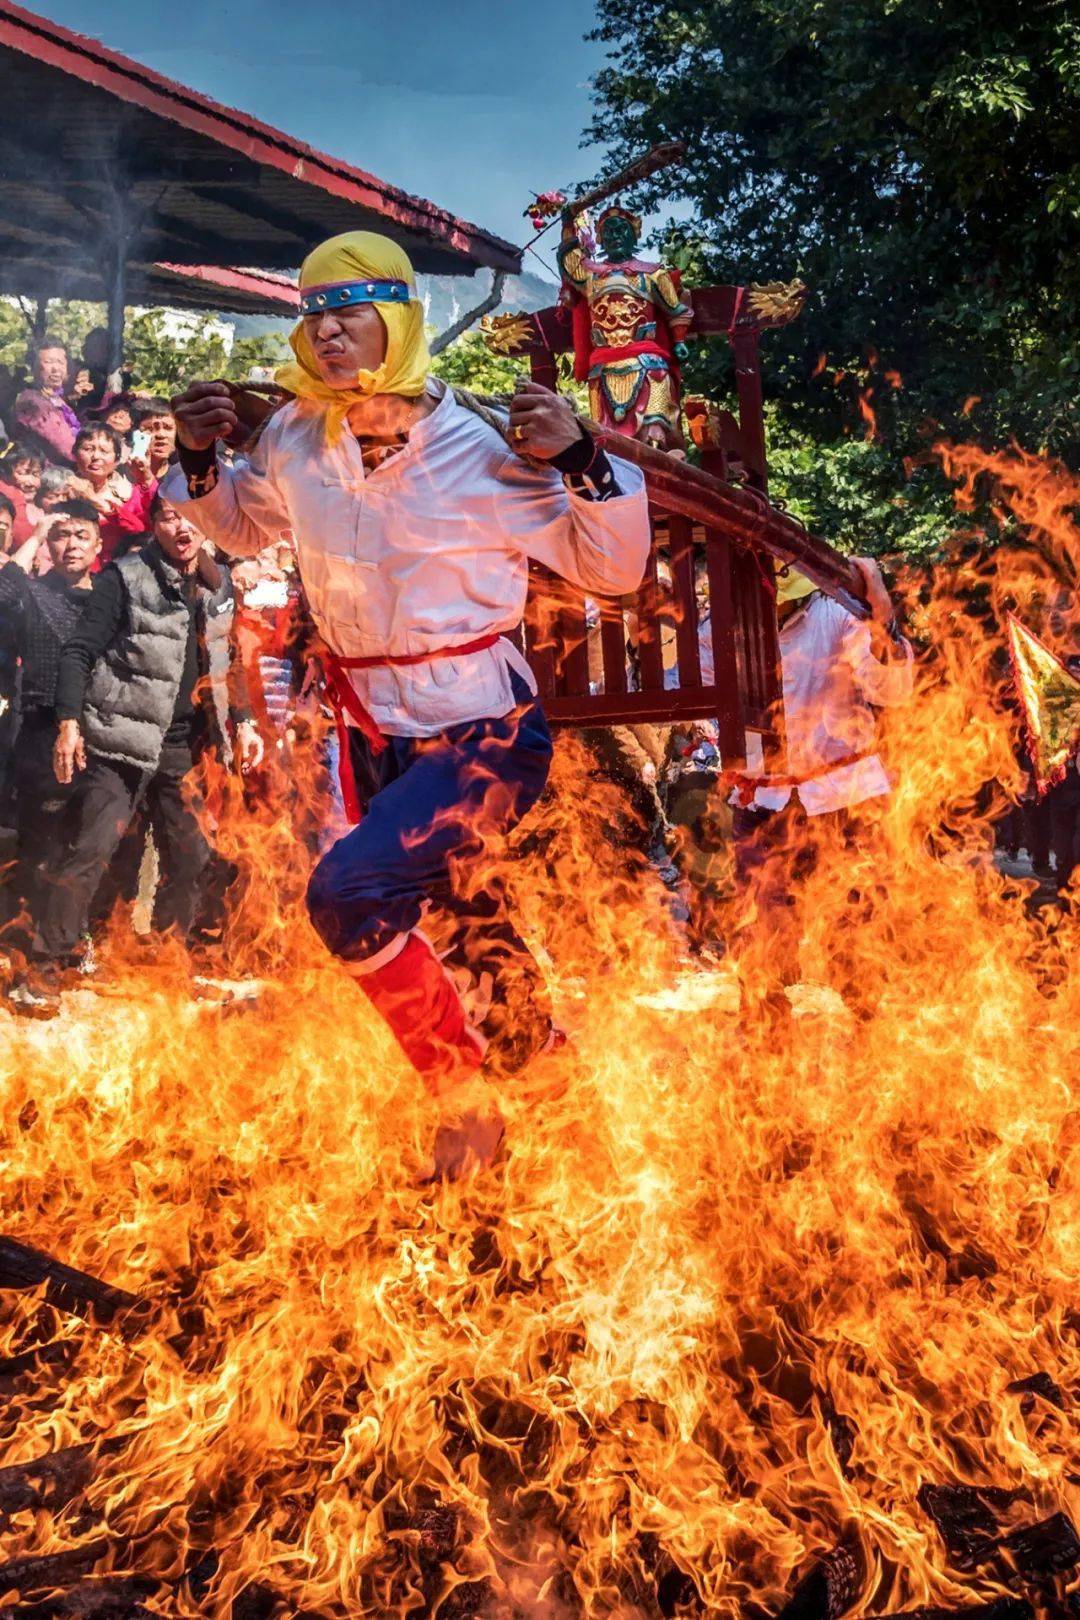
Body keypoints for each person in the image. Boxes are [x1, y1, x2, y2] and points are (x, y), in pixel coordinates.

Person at [166, 229, 650, 1172]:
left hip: (485, 727)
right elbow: (237, 526)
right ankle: (545, 1079)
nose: (329, 334)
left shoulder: (481, 450)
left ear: (396, 323)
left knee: (352, 893)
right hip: (373, 726)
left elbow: (613, 564)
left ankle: (462, 1101)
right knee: (468, 917)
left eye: (349, 314)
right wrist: (195, 457)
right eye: (314, 317)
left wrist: (586, 456)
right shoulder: (297, 441)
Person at [26, 496, 263, 999]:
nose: (181, 526)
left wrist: (242, 721)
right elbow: (80, 650)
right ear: (154, 525)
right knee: (92, 849)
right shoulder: (125, 576)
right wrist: (69, 722)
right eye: (169, 516)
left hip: (180, 744)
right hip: (118, 739)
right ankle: (46, 965)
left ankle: (166, 958)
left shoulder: (218, 584)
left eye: (190, 516)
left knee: (193, 855)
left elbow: (227, 662)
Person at [729, 558, 914, 1000]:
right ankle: (766, 1049)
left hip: (844, 802)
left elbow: (892, 689)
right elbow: (687, 673)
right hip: (765, 805)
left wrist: (882, 616)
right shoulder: (725, 626)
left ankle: (873, 1047)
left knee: (854, 936)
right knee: (762, 941)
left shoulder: (837, 616)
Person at [0, 501, 103, 976]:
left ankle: (77, 939)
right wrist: (37, 532)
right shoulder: (31, 593)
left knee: (90, 845)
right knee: (42, 846)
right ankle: (29, 951)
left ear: (99, 544)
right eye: (61, 535)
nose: (71, 545)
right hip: (41, 730)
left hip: (101, 732)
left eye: (81, 535)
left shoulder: (109, 597)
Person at [72, 424, 155, 565]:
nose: (96, 456)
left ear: (117, 460)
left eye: (104, 451)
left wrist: (100, 504)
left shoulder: (129, 493)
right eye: (87, 449)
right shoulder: (61, 490)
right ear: (75, 454)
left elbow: (142, 531)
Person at [13, 339, 81, 466]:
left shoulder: (58, 399)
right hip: (45, 474)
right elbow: (65, 446)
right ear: (34, 368)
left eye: (60, 362)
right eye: (48, 362)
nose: (56, 368)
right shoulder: (32, 401)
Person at [0, 444, 45, 546]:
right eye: (24, 473)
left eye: (36, 474)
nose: (30, 482)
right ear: (7, 472)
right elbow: (22, 539)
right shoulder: (7, 500)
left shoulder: (43, 503)